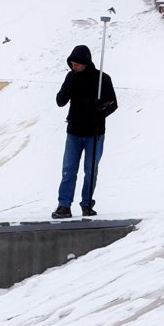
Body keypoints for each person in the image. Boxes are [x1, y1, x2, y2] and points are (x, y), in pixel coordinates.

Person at [52, 44, 117, 219]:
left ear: (86, 62)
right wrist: (68, 86)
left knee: (90, 170)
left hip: (94, 133)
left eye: (78, 64)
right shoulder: (70, 77)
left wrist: (100, 109)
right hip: (73, 132)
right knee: (68, 169)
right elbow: (60, 101)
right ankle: (64, 206)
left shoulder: (102, 79)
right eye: (72, 63)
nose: (75, 66)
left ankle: (87, 205)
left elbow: (113, 104)